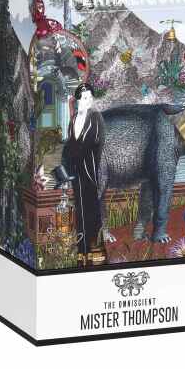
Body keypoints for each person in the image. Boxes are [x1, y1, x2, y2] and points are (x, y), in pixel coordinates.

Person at [61, 83, 105, 261]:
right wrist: (66, 167)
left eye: (90, 98)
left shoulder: (95, 118)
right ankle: (82, 249)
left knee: (91, 207)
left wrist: (76, 159)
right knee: (79, 208)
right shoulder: (73, 120)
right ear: (78, 99)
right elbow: (70, 144)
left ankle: (96, 249)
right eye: (85, 98)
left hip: (89, 169)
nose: (89, 101)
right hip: (76, 171)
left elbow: (93, 143)